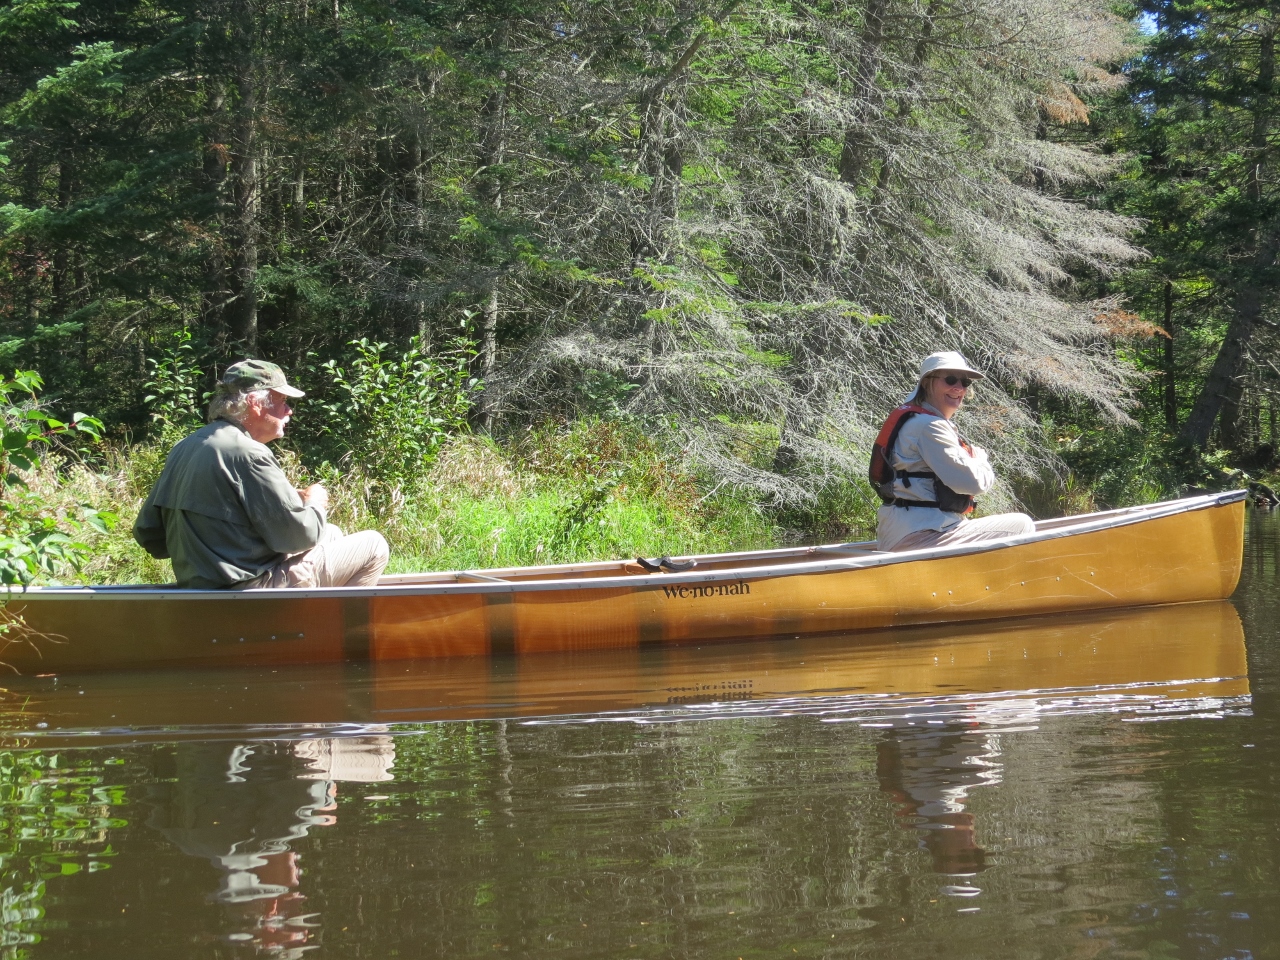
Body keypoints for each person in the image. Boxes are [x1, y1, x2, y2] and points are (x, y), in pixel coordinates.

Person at [133, 359, 389, 589]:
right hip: (249, 593)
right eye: (282, 402)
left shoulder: (186, 446)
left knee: (330, 533)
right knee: (373, 544)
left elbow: (150, 535)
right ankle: (340, 634)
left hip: (203, 588)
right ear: (255, 404)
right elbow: (298, 537)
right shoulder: (248, 453)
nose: (289, 411)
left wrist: (211, 547)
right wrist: (315, 503)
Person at [874, 351, 1035, 552]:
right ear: (926, 383)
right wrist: (980, 459)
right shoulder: (930, 426)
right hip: (922, 534)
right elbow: (972, 483)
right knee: (1022, 524)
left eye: (965, 382)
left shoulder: (919, 421)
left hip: (909, 531)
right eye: (950, 379)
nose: (958, 388)